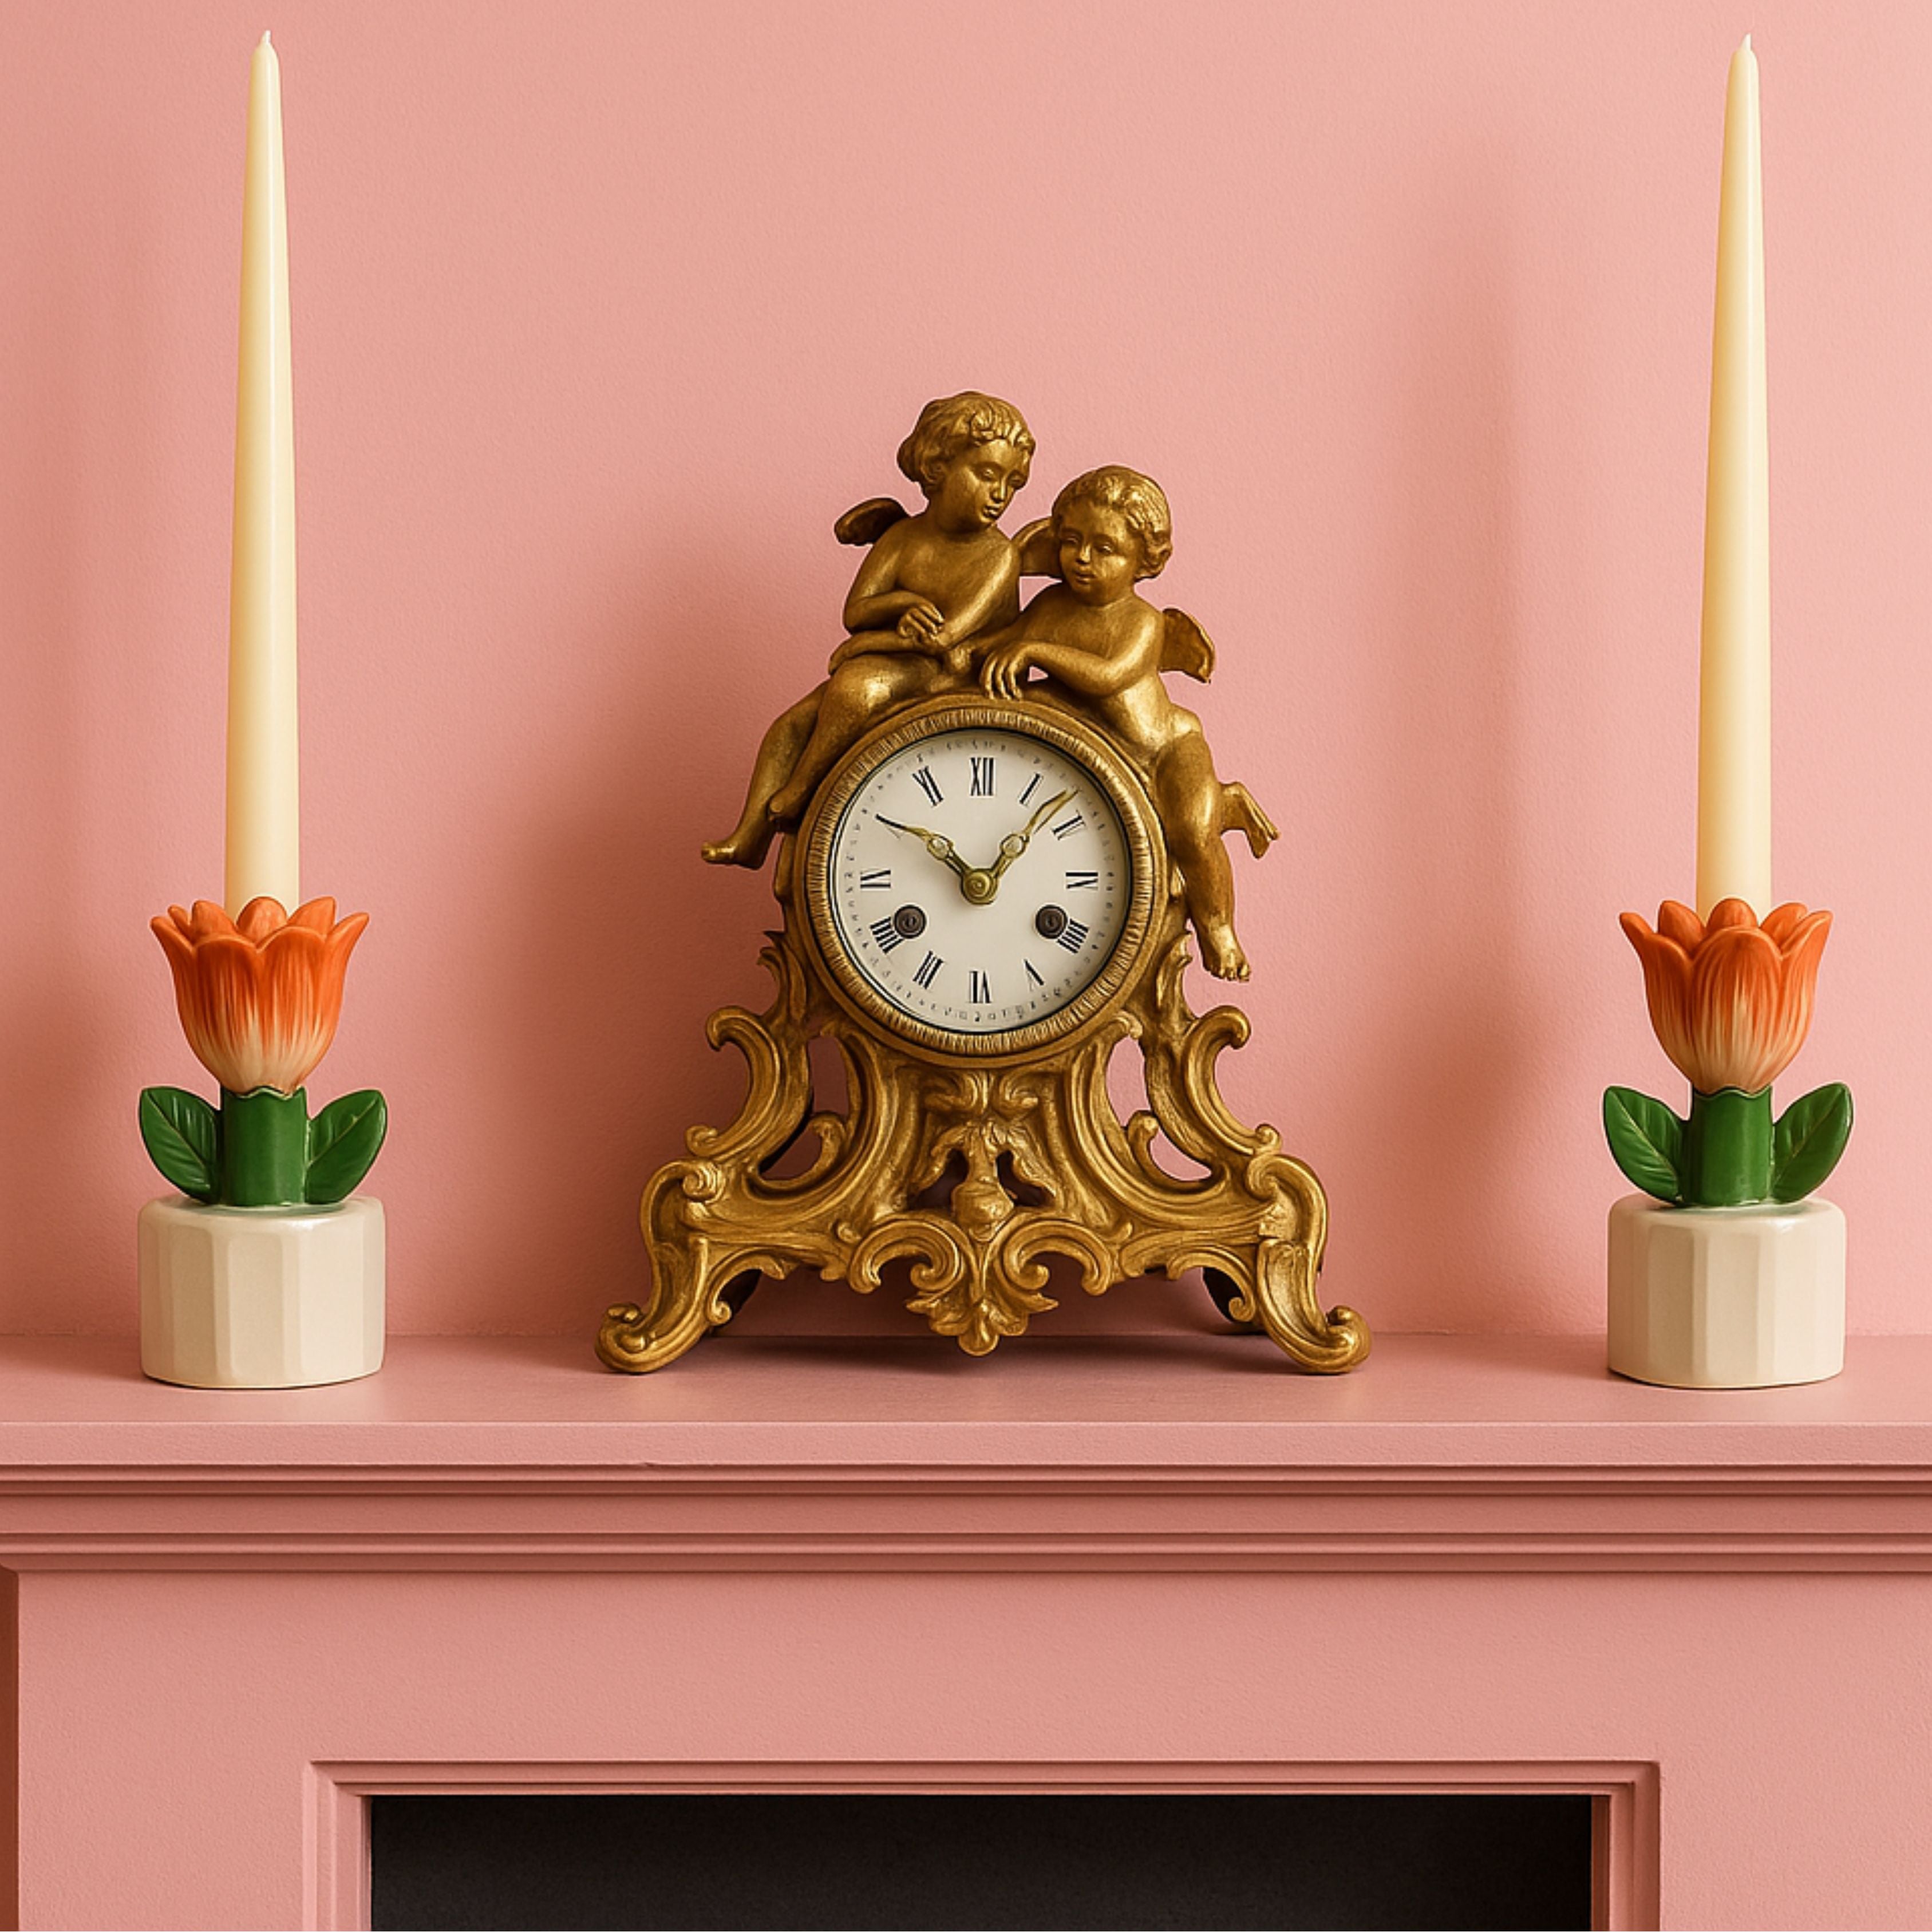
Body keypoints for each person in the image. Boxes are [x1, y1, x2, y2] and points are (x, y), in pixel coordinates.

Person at [704, 392, 1044, 866]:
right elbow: (856, 611)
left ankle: (800, 792)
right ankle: (751, 836)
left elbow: (944, 638)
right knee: (791, 725)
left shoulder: (999, 556)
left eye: (1013, 483)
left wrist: (868, 644)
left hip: (961, 671)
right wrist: (901, 603)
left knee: (857, 688)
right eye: (986, 474)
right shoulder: (902, 537)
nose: (1000, 495)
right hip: (907, 659)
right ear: (937, 466)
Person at [978, 466, 1276, 980]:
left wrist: (1031, 647)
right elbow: (993, 648)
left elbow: (1107, 676)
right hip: (1097, 734)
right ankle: (1221, 804)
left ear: (1145, 560)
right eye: (1071, 541)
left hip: (1162, 750)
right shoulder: (1050, 605)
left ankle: (1219, 927)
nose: (1083, 559)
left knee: (1190, 831)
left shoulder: (1141, 621)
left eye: (1105, 548)